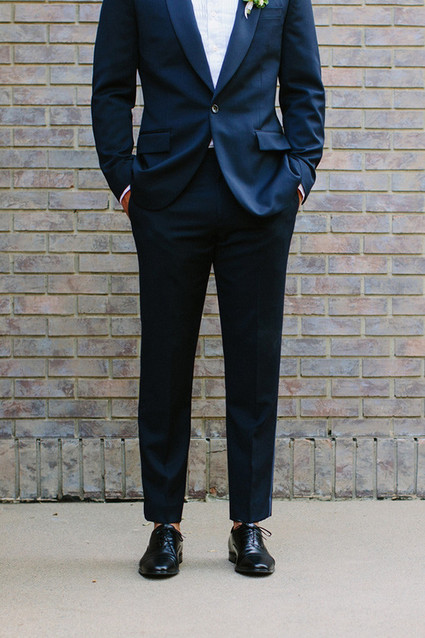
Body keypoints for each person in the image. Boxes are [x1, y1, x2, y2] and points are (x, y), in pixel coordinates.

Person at [91, 0, 325, 578]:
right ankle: (164, 526)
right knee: (165, 362)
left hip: (260, 194)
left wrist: (299, 176)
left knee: (255, 363)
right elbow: (111, 87)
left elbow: (303, 86)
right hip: (168, 195)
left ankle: (249, 523)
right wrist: (124, 180)